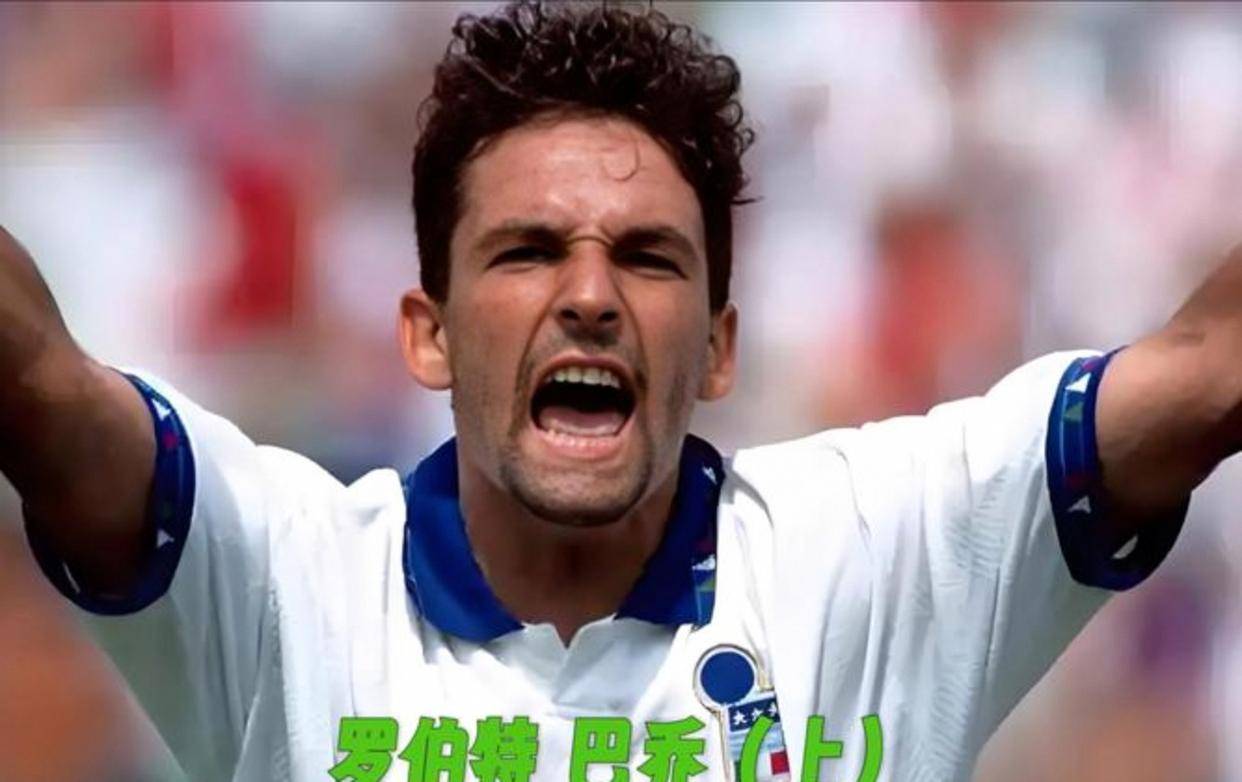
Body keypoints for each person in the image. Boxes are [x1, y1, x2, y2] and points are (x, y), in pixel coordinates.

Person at [0, 3, 1237, 781]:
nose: (590, 293)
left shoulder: (884, 549)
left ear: (719, 349)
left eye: (648, 257)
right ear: (428, 335)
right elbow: (39, 380)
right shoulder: (282, 581)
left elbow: (1211, 364)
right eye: (528, 251)